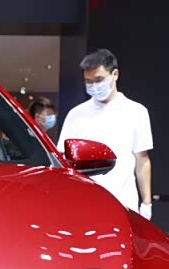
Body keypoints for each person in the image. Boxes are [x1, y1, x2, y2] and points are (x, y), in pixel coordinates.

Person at [57, 48, 153, 219]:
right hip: (84, 202)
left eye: (99, 79)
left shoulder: (136, 112)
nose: (94, 86)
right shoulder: (76, 114)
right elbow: (63, 159)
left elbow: (142, 159)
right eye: (88, 81)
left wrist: (146, 202)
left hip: (124, 200)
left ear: (115, 74)